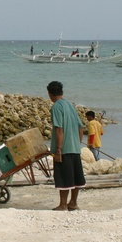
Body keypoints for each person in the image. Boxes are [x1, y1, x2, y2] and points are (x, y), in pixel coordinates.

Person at [46, 81, 85, 211]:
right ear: (62, 92)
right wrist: (77, 143)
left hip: (65, 149)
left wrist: (58, 150)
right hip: (75, 148)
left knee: (63, 177)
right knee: (75, 177)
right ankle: (73, 202)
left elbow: (59, 129)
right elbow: (80, 127)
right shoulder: (70, 105)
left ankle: (63, 204)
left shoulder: (56, 107)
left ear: (50, 93)